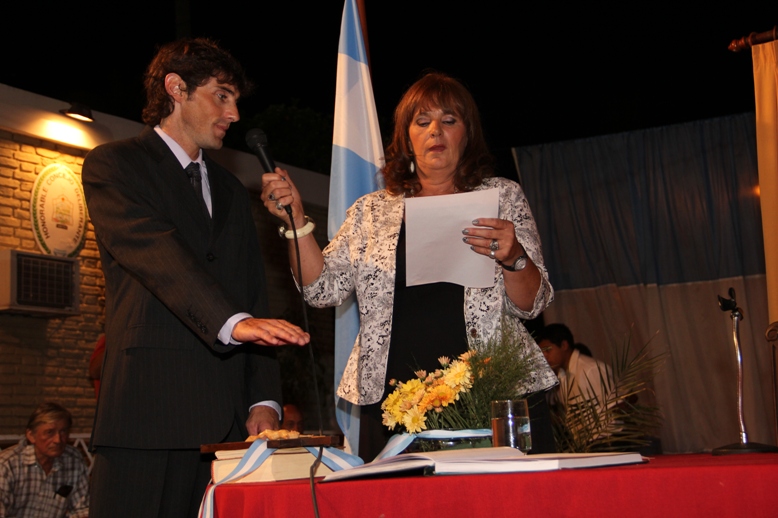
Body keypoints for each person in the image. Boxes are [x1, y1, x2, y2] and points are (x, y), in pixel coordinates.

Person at [262, 72, 557, 460]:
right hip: (397, 401)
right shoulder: (371, 210)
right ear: (406, 137)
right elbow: (322, 290)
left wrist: (514, 256)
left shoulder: (500, 194)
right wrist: (297, 222)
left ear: (467, 134)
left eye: (449, 120)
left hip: (493, 393)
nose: (436, 130)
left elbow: (531, 305)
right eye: (423, 122)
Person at [82, 38, 309, 518]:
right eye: (222, 95)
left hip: (225, 433)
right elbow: (155, 251)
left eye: (236, 101)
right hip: (146, 416)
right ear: (176, 88)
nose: (233, 114)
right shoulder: (114, 164)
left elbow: (253, 295)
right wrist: (232, 321)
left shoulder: (230, 188)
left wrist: (264, 398)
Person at [0, 403, 89, 518]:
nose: (58, 440)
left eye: (63, 432)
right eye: (49, 432)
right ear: (31, 435)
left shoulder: (73, 460)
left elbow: (82, 509)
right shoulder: (7, 465)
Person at [537, 323, 612, 409]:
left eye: (548, 350)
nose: (544, 356)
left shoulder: (591, 369)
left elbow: (615, 408)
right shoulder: (562, 375)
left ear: (564, 345)